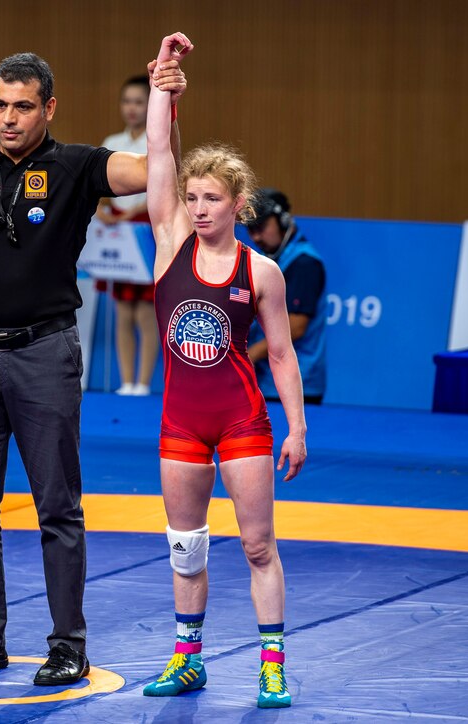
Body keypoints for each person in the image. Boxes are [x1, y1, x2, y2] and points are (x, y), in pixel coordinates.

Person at [0, 52, 186, 686]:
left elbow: (158, 174)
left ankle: (67, 645)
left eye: (23, 106)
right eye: (0, 105)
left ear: (49, 108)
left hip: (45, 353)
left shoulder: (78, 166)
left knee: (58, 508)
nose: (9, 118)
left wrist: (166, 103)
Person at [142, 33, 307, 708]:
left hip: (242, 421)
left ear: (238, 204)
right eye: (193, 195)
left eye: (212, 197)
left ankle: (271, 663)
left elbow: (282, 353)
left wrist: (296, 428)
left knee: (258, 545)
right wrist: (163, 85)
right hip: (181, 423)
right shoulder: (170, 244)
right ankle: (189, 659)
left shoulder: (260, 271)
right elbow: (158, 152)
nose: (200, 206)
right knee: (187, 548)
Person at [95, 75, 159, 396]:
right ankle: (125, 381)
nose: (132, 108)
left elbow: (165, 185)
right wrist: (102, 210)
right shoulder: (112, 141)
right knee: (122, 308)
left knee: (145, 312)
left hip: (146, 227)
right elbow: (99, 185)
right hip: (119, 228)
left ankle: (144, 383)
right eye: (127, 101)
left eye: (139, 102)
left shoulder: (157, 139)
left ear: (150, 106)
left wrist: (135, 213)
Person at [246, 188, 328, 404]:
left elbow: (297, 325)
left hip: (297, 381)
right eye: (250, 229)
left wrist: (250, 355)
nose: (255, 237)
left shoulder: (305, 264)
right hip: (267, 378)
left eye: (261, 228)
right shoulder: (268, 260)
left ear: (282, 221)